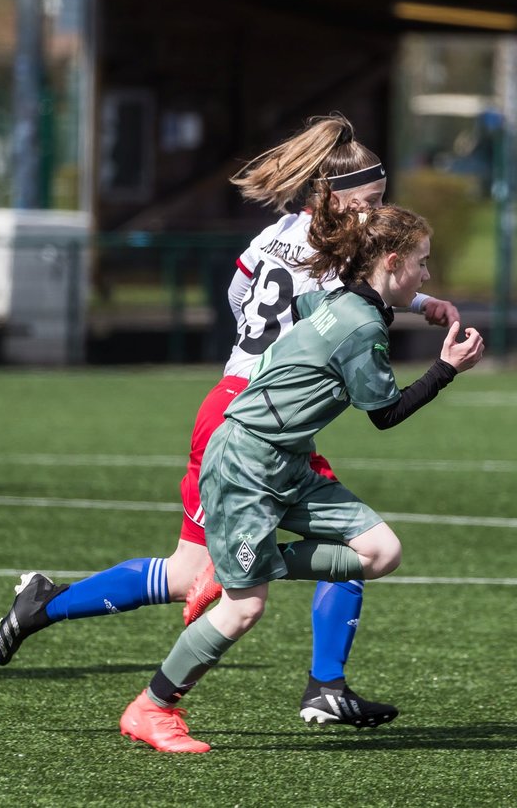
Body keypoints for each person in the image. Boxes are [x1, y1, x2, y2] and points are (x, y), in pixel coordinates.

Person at [0, 114, 460, 729]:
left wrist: (416, 302)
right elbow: (360, 295)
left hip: (238, 398)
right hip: (254, 419)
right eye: (370, 201)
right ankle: (318, 682)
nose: (376, 212)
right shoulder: (331, 253)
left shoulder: (277, 236)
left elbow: (249, 297)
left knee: (190, 570)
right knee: (334, 545)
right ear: (336, 196)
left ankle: (45, 605)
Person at [118, 193, 484, 753]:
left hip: (284, 462)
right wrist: (446, 369)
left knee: (380, 551)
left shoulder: (340, 301)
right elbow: (385, 415)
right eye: (422, 262)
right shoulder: (361, 327)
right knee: (245, 610)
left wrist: (418, 304)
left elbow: (313, 299)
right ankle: (152, 707)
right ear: (391, 263)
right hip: (245, 462)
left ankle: (234, 568)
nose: (427, 272)